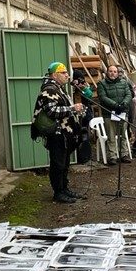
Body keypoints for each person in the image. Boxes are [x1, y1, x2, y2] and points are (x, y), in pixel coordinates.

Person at [31, 62, 84, 203]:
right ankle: (58, 192)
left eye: (67, 72)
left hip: (64, 134)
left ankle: (64, 188)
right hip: (56, 134)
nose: (67, 75)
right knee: (58, 164)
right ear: (54, 75)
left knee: (65, 163)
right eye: (64, 72)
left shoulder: (59, 88)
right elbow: (51, 111)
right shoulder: (49, 90)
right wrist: (73, 108)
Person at [97, 65, 133, 165]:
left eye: (115, 71)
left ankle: (124, 154)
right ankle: (112, 156)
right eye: (111, 71)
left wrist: (124, 104)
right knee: (111, 136)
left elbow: (129, 94)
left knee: (123, 135)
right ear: (107, 72)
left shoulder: (124, 82)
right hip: (109, 113)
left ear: (118, 73)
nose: (113, 73)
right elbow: (103, 97)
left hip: (122, 112)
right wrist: (115, 105)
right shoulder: (102, 83)